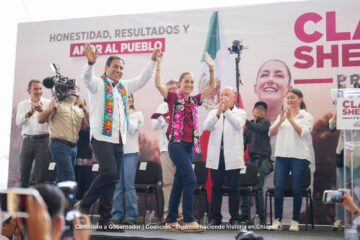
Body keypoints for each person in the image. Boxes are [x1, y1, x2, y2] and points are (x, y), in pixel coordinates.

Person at [76, 43, 159, 230]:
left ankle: (105, 220)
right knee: (109, 172)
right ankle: (84, 204)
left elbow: (142, 79)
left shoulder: (123, 87)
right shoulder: (98, 84)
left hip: (119, 139)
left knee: (112, 181)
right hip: (101, 137)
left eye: (121, 68)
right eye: (115, 67)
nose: (119, 70)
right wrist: (90, 63)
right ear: (106, 68)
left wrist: (152, 61)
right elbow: (86, 78)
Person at [155, 51, 216, 232]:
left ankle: (171, 219)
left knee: (180, 183)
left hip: (190, 147)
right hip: (176, 145)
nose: (189, 84)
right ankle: (189, 219)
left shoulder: (195, 100)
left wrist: (211, 68)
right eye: (186, 81)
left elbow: (212, 86)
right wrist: (158, 64)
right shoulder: (173, 98)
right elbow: (158, 84)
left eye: (191, 82)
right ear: (180, 85)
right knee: (191, 179)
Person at [269, 88, 313, 231]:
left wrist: (290, 120)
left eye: (292, 97)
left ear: (300, 99)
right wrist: (281, 120)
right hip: (282, 156)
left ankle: (295, 220)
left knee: (296, 188)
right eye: (287, 97)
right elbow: (271, 133)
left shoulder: (306, 116)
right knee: (279, 187)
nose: (289, 100)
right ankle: (277, 220)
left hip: (299, 157)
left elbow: (303, 133)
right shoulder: (282, 114)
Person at [203, 87, 246, 226]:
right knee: (216, 187)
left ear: (234, 97)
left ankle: (235, 218)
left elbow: (237, 125)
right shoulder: (213, 112)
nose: (223, 97)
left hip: (232, 155)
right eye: (221, 95)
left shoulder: (240, 112)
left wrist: (226, 111)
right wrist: (218, 112)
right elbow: (207, 126)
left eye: (226, 94)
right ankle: (215, 217)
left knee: (234, 187)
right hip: (217, 155)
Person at [38, 87, 88, 183]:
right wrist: (51, 109)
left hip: (73, 147)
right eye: (70, 88)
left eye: (76, 89)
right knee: (70, 180)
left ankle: (55, 197)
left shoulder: (78, 109)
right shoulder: (57, 105)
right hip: (59, 146)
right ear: (64, 91)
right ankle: (69, 198)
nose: (74, 90)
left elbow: (89, 124)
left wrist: (84, 108)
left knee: (61, 179)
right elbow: (40, 119)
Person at [151, 79, 182, 222]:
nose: (172, 91)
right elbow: (154, 126)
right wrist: (165, 119)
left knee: (181, 181)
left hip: (182, 149)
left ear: (179, 89)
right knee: (168, 182)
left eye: (174, 88)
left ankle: (180, 214)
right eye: (169, 89)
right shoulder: (162, 106)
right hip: (166, 149)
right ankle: (168, 214)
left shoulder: (184, 104)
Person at [112, 94, 144, 225]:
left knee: (129, 185)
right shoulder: (115, 114)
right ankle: (116, 215)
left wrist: (125, 113)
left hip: (131, 152)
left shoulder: (138, 114)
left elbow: (131, 130)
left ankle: (131, 216)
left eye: (130, 97)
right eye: (126, 97)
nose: (128, 99)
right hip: (117, 152)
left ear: (133, 99)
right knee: (118, 185)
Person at [15, 79, 51, 187]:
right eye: (35, 89)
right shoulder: (23, 104)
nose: (38, 91)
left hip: (44, 141)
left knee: (41, 176)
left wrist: (41, 111)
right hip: (27, 141)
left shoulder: (48, 103)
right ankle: (23, 202)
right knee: (24, 174)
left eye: (40, 89)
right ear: (28, 90)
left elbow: (52, 122)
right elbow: (18, 123)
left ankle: (36, 202)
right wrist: (28, 114)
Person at [241, 101, 272, 225]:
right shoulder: (249, 127)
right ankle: (245, 215)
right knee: (244, 187)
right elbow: (243, 145)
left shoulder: (265, 123)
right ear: (253, 111)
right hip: (251, 161)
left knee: (258, 188)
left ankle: (261, 217)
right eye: (257, 108)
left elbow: (258, 129)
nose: (260, 110)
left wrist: (246, 122)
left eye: (263, 110)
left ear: (265, 114)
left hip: (263, 160)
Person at [74, 96, 95, 199]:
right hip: (73, 160)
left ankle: (83, 208)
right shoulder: (71, 121)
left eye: (82, 105)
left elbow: (93, 133)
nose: (80, 108)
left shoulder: (90, 121)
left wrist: (86, 114)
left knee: (85, 185)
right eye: (77, 105)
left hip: (86, 160)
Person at [328, 112, 345, 229]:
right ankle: (339, 218)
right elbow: (331, 126)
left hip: (357, 155)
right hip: (343, 153)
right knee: (341, 189)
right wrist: (337, 110)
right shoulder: (345, 110)